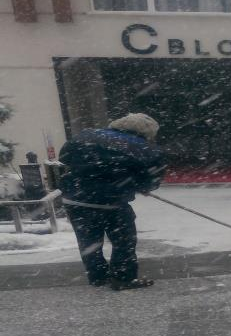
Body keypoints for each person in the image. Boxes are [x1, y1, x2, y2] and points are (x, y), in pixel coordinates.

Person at [59, 113, 167, 290]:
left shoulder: (85, 136)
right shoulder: (146, 149)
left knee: (89, 242)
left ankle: (98, 277)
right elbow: (151, 177)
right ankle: (123, 278)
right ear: (147, 133)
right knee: (123, 240)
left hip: (74, 199)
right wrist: (143, 186)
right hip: (110, 202)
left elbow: (64, 158)